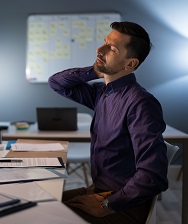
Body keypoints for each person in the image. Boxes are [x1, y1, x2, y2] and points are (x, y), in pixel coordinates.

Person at [48, 21, 168, 224]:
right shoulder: (102, 93)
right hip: (98, 191)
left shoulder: (141, 103)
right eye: (104, 42)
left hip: (120, 205)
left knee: (39, 217)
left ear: (130, 64)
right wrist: (96, 70)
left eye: (111, 49)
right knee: (35, 204)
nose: (99, 49)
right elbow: (57, 83)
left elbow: (153, 176)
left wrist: (108, 205)